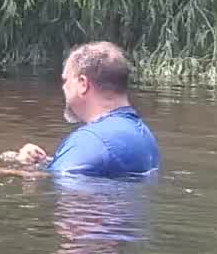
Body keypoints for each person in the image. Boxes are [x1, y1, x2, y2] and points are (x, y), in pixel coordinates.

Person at [9, 41, 159, 177]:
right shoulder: (144, 135)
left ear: (82, 83)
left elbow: (68, 189)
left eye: (66, 80)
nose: (64, 88)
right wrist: (44, 163)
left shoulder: (90, 141)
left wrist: (20, 170)